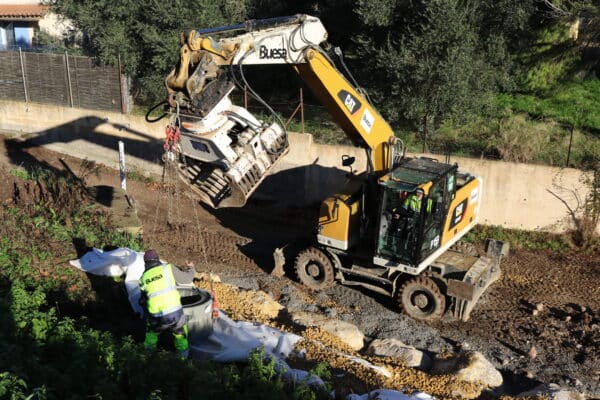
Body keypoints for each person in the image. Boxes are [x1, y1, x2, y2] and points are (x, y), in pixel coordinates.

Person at [139, 249, 189, 359]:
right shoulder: (167, 268)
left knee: (151, 335)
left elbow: (143, 299)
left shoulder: (142, 279)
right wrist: (191, 268)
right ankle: (184, 361)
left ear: (145, 263)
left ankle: (147, 358)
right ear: (157, 259)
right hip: (175, 314)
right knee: (180, 335)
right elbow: (187, 278)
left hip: (157, 317)